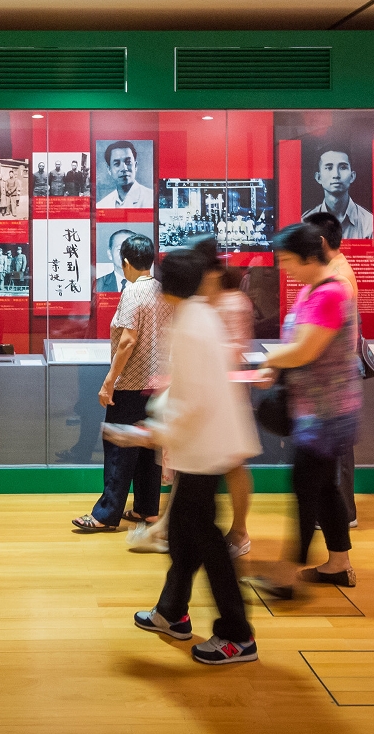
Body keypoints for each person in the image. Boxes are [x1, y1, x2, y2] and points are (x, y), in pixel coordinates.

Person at [108, 249, 259, 665]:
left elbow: (192, 402)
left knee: (205, 540)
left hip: (203, 448)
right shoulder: (198, 316)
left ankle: (237, 634)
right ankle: (172, 612)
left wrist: (147, 432)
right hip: (206, 446)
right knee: (185, 536)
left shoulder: (190, 328)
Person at [127, 238, 258, 558]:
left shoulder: (216, 308)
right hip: (199, 408)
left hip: (217, 405)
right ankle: (169, 536)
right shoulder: (196, 309)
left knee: (223, 476)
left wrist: (164, 424)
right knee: (194, 502)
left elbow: (225, 358)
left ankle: (235, 533)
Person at [251, 223, 362, 598]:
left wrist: (270, 360)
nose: (284, 269)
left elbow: (306, 349)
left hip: (325, 414)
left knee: (304, 488)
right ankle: (338, 562)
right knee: (324, 486)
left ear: (309, 256)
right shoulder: (314, 289)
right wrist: (277, 365)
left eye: (286, 261)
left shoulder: (330, 293)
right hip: (320, 408)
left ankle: (285, 575)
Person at [72, 234, 171, 532]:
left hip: (130, 383)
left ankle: (105, 514)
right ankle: (146, 509)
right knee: (147, 446)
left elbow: (127, 341)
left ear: (126, 263)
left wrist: (109, 381)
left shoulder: (132, 292)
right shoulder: (162, 291)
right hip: (156, 384)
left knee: (119, 447)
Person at [304, 212, 360, 528]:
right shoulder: (337, 271)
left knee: (336, 453)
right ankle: (340, 514)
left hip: (334, 379)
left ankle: (341, 515)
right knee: (334, 452)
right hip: (335, 378)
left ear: (320, 242)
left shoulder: (337, 278)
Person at [301, 145, 374, 240]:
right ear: (319, 177)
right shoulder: (305, 223)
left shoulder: (369, 223)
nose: (336, 175)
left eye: (343, 167)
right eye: (329, 167)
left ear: (352, 176)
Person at [97, 141, 153, 208]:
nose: (124, 168)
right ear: (109, 169)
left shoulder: (152, 199)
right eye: (117, 164)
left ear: (135, 166)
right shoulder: (101, 205)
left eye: (128, 162)